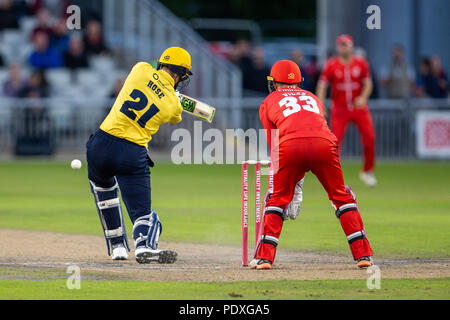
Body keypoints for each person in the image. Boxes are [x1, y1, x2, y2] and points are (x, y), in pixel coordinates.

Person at [251, 60, 374, 270]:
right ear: (299, 81)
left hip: (288, 146)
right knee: (341, 196)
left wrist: (292, 186)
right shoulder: (313, 98)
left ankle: (264, 259)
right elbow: (315, 127)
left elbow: (274, 144)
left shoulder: (269, 101)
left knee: (277, 199)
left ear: (273, 82)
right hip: (325, 144)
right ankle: (363, 256)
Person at [86, 47, 192, 263]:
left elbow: (151, 78)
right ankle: (144, 245)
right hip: (131, 152)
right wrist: (174, 95)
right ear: (180, 74)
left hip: (101, 143)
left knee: (104, 193)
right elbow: (174, 118)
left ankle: (117, 248)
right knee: (142, 212)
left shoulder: (140, 69)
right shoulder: (173, 104)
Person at [316, 35, 377, 187]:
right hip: (340, 108)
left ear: (351, 46)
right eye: (342, 45)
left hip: (359, 107)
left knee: (369, 137)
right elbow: (322, 86)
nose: (345, 48)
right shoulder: (331, 65)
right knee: (335, 143)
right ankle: (332, 174)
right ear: (338, 47)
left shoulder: (361, 63)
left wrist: (363, 97)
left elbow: (368, 84)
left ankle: (367, 171)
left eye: (347, 45)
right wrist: (320, 105)